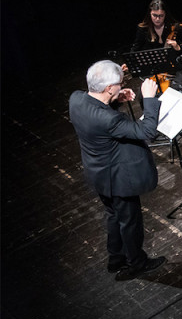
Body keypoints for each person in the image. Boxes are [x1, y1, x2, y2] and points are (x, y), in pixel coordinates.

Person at [68, 61, 166, 281]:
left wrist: (114, 101)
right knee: (130, 222)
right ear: (109, 88)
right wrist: (149, 98)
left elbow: (98, 115)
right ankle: (137, 263)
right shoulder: (109, 119)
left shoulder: (75, 99)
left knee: (114, 217)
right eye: (119, 85)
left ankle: (116, 259)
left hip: (98, 174)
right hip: (118, 179)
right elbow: (147, 130)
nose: (121, 86)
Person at [130, 0, 182, 88]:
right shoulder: (143, 29)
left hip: (174, 66)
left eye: (161, 16)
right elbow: (135, 50)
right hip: (154, 68)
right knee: (150, 91)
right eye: (154, 15)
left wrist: (178, 47)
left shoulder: (174, 27)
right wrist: (129, 62)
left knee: (178, 86)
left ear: (165, 15)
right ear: (150, 14)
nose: (157, 19)